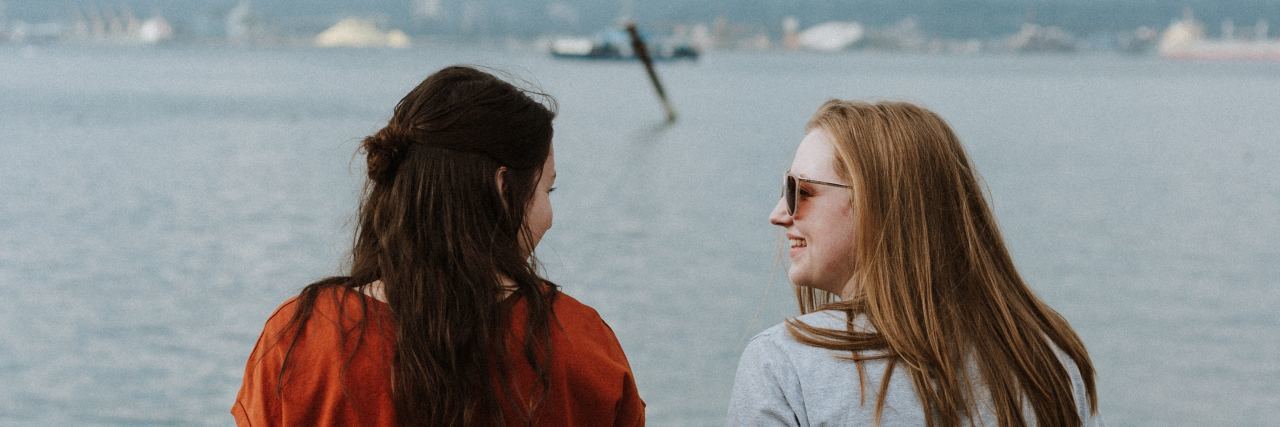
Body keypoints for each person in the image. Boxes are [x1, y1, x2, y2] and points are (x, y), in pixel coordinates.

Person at [231, 66, 644, 426]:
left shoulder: (299, 342)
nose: (549, 217)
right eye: (546, 191)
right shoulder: (582, 345)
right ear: (503, 188)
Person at [728, 100, 1101, 426]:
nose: (778, 214)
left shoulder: (783, 364)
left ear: (875, 204)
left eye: (799, 191)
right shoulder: (1046, 359)